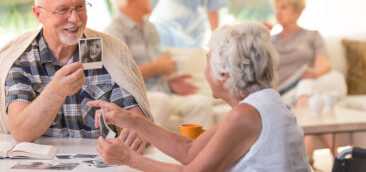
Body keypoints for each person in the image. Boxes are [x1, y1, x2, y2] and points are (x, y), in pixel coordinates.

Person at [88, 22, 310, 171]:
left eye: (208, 59)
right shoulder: (260, 103)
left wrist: (129, 159)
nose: (204, 70)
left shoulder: (248, 114)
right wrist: (130, 119)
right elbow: (190, 151)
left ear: (223, 74)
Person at [0, 0, 152, 154]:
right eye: (62, 10)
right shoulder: (21, 58)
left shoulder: (108, 51)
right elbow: (22, 133)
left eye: (80, 7)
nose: (75, 19)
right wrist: (56, 91)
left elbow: (140, 121)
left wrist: (137, 132)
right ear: (38, 14)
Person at [104, 0, 213, 129]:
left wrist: (170, 83)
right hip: (136, 100)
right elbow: (118, 78)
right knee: (161, 101)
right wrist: (156, 68)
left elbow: (157, 67)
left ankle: (199, 153)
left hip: (163, 93)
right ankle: (145, 150)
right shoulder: (113, 33)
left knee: (200, 103)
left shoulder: (149, 27)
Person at [265, 0, 347, 165]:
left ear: (298, 12)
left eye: (284, 7)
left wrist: (314, 72)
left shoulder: (311, 35)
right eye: (276, 7)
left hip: (311, 83)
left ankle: (306, 160)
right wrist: (261, 37)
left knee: (306, 89)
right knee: (311, 102)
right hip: (285, 92)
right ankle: (339, 159)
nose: (278, 12)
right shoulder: (271, 40)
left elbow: (324, 64)